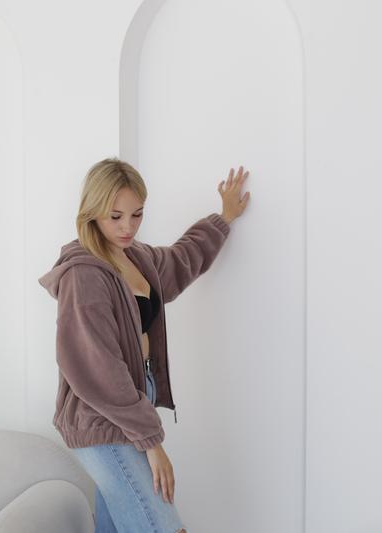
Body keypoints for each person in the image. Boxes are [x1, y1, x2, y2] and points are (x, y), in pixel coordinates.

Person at [38, 157, 249, 532]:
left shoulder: (135, 257)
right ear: (92, 212)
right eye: (115, 216)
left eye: (137, 214)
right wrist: (153, 442)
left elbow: (181, 260)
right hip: (102, 419)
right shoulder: (84, 275)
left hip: (132, 407)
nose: (128, 227)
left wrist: (223, 218)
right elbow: (98, 368)